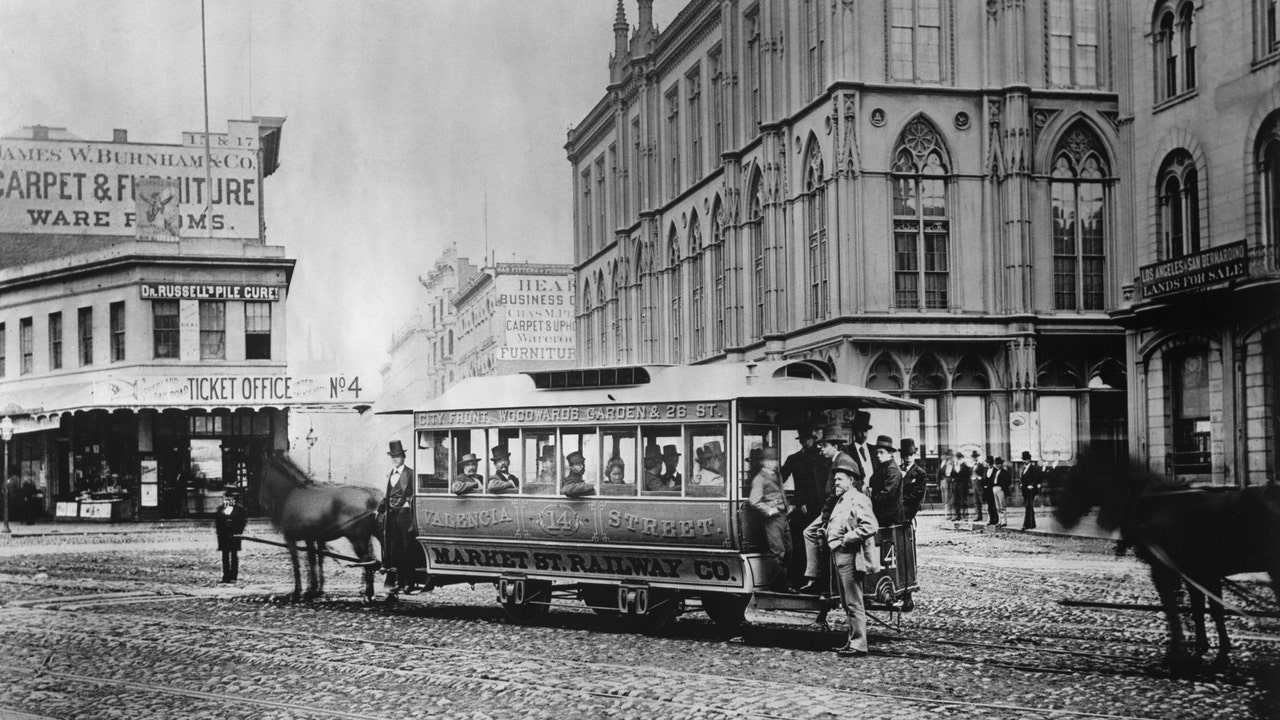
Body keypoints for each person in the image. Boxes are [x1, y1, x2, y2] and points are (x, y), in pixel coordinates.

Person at [827, 456, 879, 657]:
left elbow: (870, 526)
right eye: (835, 480)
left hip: (850, 556)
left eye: (839, 479)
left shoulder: (858, 499)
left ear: (851, 480)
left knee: (854, 602)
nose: (836, 483)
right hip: (839, 556)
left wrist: (847, 538)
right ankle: (851, 641)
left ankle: (859, 644)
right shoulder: (843, 500)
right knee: (847, 602)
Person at [746, 447, 794, 593]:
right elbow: (754, 501)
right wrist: (769, 510)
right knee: (778, 552)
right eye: (772, 460)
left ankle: (778, 584)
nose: (775, 463)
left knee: (790, 550)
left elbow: (781, 493)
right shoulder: (759, 479)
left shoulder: (777, 475)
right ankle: (779, 586)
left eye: (776, 460)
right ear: (764, 462)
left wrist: (788, 506)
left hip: (783, 517)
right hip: (772, 520)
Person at [381, 439, 416, 599]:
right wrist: (379, 508)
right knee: (395, 550)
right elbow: (387, 495)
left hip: (405, 517)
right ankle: (398, 582)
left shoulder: (410, 474)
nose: (395, 459)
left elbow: (415, 494)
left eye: (398, 456)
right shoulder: (390, 474)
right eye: (393, 456)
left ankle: (409, 582)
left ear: (403, 457)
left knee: (407, 549)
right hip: (392, 517)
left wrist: (408, 503)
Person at [868, 435, 904, 528]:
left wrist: (868, 502)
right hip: (881, 513)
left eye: (881, 452)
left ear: (890, 453)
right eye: (877, 452)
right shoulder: (882, 467)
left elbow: (887, 494)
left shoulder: (893, 470)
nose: (878, 455)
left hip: (889, 517)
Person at [214, 487, 248, 584]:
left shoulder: (240, 510)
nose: (229, 499)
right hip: (224, 536)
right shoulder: (220, 509)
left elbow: (243, 522)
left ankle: (233, 576)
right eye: (227, 497)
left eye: (231, 497)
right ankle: (226, 576)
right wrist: (220, 533)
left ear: (234, 498)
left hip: (234, 535)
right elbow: (218, 522)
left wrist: (238, 532)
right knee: (225, 556)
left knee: (234, 556)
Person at [899, 439, 927, 522]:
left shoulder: (920, 473)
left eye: (911, 454)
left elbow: (917, 494)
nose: (908, 457)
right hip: (897, 504)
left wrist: (900, 501)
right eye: (906, 454)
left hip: (910, 505)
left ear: (915, 455)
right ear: (902, 455)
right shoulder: (897, 469)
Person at [1019, 450, 1043, 530]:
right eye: (1023, 459)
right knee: (1028, 506)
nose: (1024, 461)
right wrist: (1021, 483)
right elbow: (1023, 478)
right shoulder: (1024, 469)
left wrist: (1032, 485)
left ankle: (1026, 524)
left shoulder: (1033, 468)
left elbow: (1037, 478)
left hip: (1030, 491)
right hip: (1025, 490)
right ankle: (1032, 524)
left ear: (1029, 459)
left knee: (1028, 506)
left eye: (1026, 459)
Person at [847, 411, 874, 479]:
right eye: (860, 430)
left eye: (865, 431)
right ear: (854, 431)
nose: (863, 434)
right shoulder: (848, 451)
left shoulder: (874, 450)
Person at [938, 450, 960, 519]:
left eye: (945, 455)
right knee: (944, 498)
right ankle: (947, 513)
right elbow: (939, 473)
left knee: (948, 498)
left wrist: (949, 479)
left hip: (948, 481)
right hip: (943, 481)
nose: (943, 457)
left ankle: (949, 514)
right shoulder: (942, 463)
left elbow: (951, 473)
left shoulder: (950, 463)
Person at [993, 457, 1011, 527]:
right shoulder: (995, 472)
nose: (998, 465)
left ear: (1002, 464)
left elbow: (1009, 482)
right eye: (997, 464)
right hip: (994, 488)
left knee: (1002, 505)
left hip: (1000, 489)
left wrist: (1002, 486)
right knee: (997, 506)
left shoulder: (1005, 472)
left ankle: (1004, 521)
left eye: (999, 464)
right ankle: (999, 521)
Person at [982, 454, 999, 526]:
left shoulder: (996, 470)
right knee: (989, 506)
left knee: (994, 505)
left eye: (990, 463)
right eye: (988, 463)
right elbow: (983, 479)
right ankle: (991, 519)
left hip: (993, 489)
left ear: (992, 463)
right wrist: (984, 485)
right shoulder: (985, 470)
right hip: (987, 490)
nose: (989, 464)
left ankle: (996, 519)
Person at [953, 452, 972, 521]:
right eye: (957, 458)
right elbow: (952, 474)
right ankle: (957, 515)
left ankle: (965, 515)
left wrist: (964, 482)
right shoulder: (954, 465)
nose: (958, 459)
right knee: (956, 501)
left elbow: (967, 476)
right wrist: (954, 479)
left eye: (959, 458)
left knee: (963, 500)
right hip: (956, 485)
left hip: (963, 485)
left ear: (961, 458)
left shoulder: (965, 466)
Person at [971, 451, 986, 523]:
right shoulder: (972, 465)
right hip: (974, 483)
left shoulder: (980, 465)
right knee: (976, 501)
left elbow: (984, 474)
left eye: (975, 457)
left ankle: (985, 515)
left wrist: (979, 478)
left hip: (979, 483)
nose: (974, 458)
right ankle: (978, 515)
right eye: (973, 457)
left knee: (982, 499)